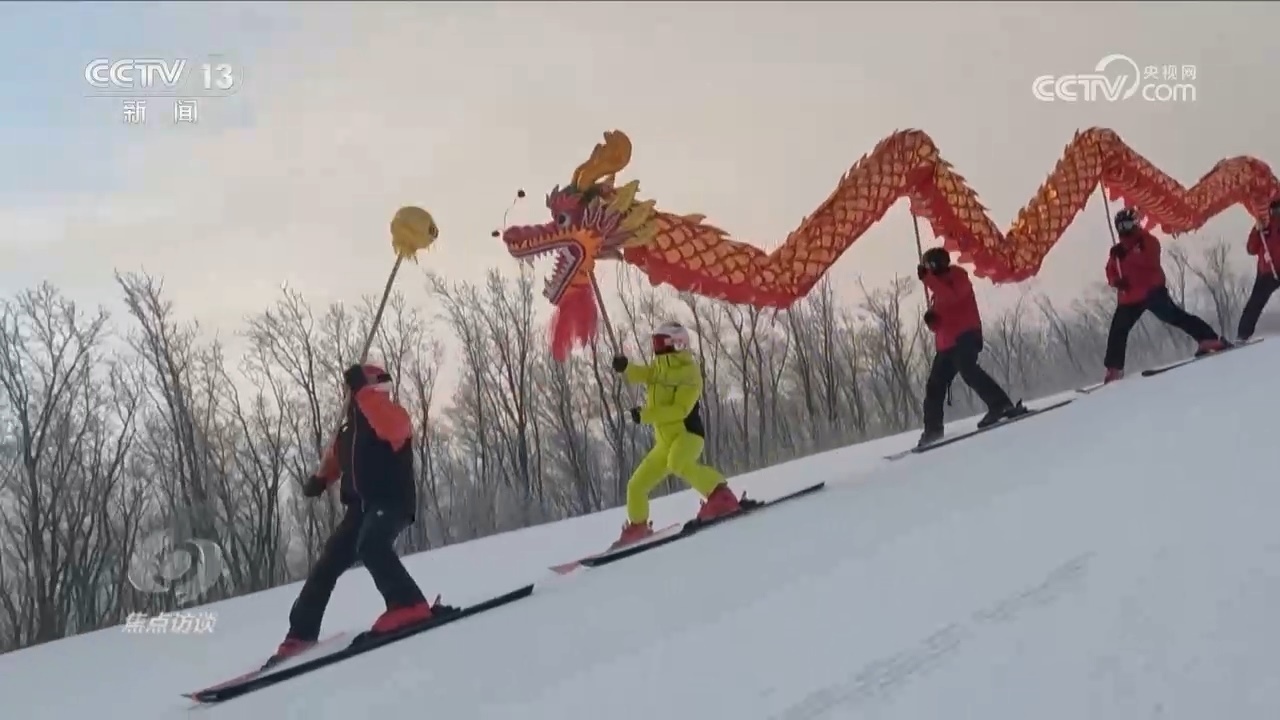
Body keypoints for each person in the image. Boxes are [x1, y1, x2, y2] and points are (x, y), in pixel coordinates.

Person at [271, 362, 442, 665]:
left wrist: (364, 392)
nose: (349, 392)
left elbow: (393, 430)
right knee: (328, 562)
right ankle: (302, 631)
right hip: (359, 508)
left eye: (356, 386)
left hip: (391, 500)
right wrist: (322, 479)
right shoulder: (349, 429)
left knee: (371, 544)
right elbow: (337, 458)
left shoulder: (390, 414)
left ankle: (408, 604)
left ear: (371, 386)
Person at [610, 322, 739, 548]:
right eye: (655, 343)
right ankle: (638, 526)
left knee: (678, 462)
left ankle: (721, 496)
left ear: (678, 344)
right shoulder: (658, 368)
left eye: (661, 343)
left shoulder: (689, 373)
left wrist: (646, 415)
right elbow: (643, 374)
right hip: (665, 443)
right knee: (636, 485)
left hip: (688, 435)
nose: (657, 348)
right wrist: (626, 367)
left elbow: (680, 410)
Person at [1101, 207, 1229, 383]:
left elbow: (1149, 261)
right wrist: (1116, 281)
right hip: (1129, 297)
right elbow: (1110, 271)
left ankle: (1208, 339)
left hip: (1151, 290)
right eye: (1121, 226)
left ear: (1136, 224)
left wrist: (1127, 255)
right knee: (1118, 329)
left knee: (1173, 316)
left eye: (1128, 224)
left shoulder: (1147, 241)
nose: (1125, 229)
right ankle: (1114, 368)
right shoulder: (1116, 252)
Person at [916, 247, 1026, 448]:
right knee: (935, 385)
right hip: (946, 344)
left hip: (965, 335)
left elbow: (953, 297)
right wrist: (932, 321)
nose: (928, 269)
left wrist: (928, 280)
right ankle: (933, 429)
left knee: (968, 370)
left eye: (929, 266)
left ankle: (1001, 405)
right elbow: (941, 321)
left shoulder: (957, 277)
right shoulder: (936, 291)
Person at [1236, 198, 1280, 343]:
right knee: (1255, 302)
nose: (1276, 212)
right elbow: (1251, 249)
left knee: (1255, 302)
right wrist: (1257, 230)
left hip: (1271, 269)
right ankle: (1243, 335)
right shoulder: (1264, 226)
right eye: (1274, 209)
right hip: (1267, 271)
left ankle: (1243, 334)